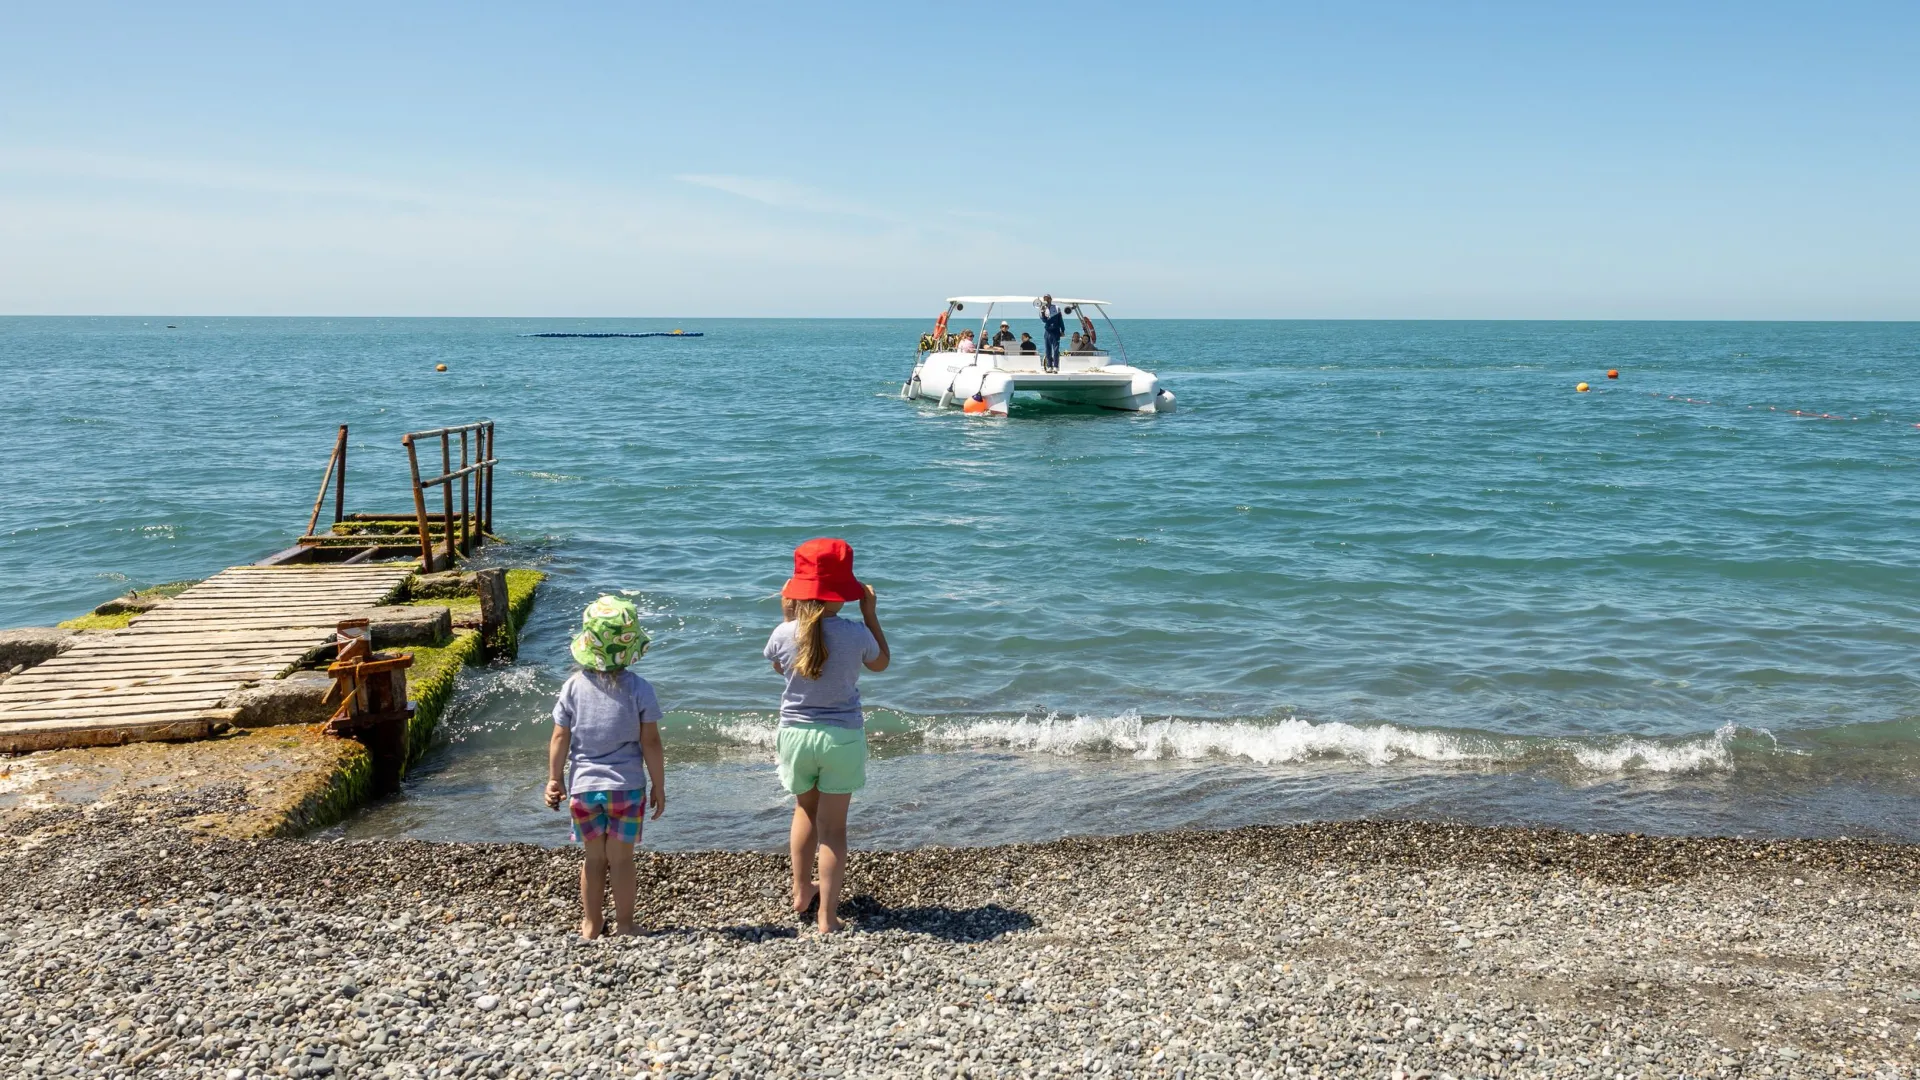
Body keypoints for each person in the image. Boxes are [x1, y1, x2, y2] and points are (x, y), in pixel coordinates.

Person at [764, 538, 890, 934]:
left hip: (796, 735)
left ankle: (802, 892)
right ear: (846, 593)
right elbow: (881, 663)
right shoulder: (855, 634)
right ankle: (827, 917)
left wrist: (787, 615)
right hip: (841, 738)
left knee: (804, 810)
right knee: (833, 829)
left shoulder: (784, 632)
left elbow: (779, 668)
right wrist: (870, 615)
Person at [545, 596, 666, 940]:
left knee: (594, 860)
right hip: (626, 789)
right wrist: (658, 785)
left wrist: (554, 779)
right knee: (622, 860)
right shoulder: (640, 688)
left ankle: (591, 924)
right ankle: (626, 925)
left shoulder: (572, 687)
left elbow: (559, 737)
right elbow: (651, 743)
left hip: (584, 789)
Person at [1039, 294, 1065, 372]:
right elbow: (1044, 321)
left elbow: (1060, 320)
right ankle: (1049, 366)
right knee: (1048, 349)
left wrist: (1062, 330)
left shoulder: (1057, 308)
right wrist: (1043, 312)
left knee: (1056, 349)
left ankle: (1056, 366)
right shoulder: (1041, 308)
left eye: (1047, 298)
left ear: (1051, 299)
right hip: (1048, 331)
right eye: (1044, 298)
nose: (1046, 300)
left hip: (1056, 331)